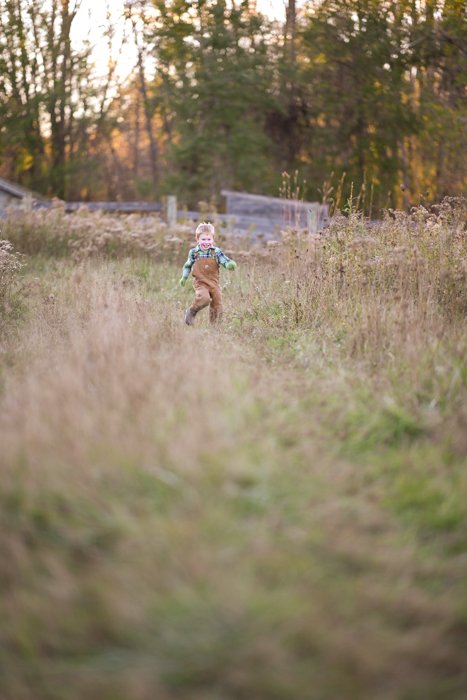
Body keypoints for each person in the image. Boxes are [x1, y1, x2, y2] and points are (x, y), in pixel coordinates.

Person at [179, 222, 237, 325]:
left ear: (213, 239)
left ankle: (215, 326)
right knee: (204, 298)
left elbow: (224, 260)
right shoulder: (194, 252)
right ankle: (192, 311)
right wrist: (184, 277)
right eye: (203, 239)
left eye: (209, 239)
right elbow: (188, 265)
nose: (206, 242)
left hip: (214, 283)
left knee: (217, 304)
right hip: (200, 282)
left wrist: (229, 265)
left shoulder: (216, 252)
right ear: (197, 239)